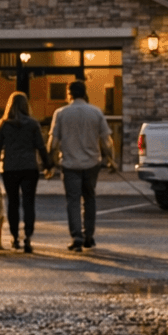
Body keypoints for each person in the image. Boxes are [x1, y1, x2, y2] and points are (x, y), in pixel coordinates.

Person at [47, 79, 114, 252]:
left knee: (73, 201)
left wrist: (49, 162)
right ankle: (89, 236)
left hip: (70, 163)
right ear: (84, 92)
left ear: (69, 94)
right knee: (90, 198)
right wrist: (111, 159)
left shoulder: (61, 113)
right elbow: (106, 140)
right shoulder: (96, 112)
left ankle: (76, 236)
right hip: (92, 163)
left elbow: (53, 142)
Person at [0, 91, 51, 253]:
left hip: (10, 168)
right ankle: (28, 238)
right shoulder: (32, 124)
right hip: (29, 167)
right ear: (25, 106)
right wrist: (47, 165)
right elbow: (41, 146)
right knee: (29, 203)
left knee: (13, 203)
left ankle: (15, 238)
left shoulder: (3, 124)